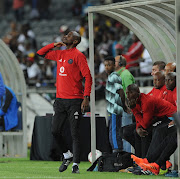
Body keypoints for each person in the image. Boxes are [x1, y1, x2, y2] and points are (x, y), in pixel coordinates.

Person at [37, 31, 92, 174]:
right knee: (55, 131)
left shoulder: (78, 56)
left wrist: (86, 97)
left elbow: (88, 76)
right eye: (65, 35)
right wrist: (53, 45)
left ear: (75, 41)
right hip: (60, 100)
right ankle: (67, 155)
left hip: (75, 100)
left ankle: (75, 165)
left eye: (69, 35)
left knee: (75, 133)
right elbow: (40, 53)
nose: (65, 36)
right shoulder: (60, 54)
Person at [122, 84, 176, 158]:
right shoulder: (135, 101)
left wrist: (134, 110)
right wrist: (138, 128)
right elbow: (140, 118)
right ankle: (139, 158)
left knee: (145, 132)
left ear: (138, 92)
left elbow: (145, 124)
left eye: (130, 93)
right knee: (124, 131)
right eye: (127, 93)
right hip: (157, 118)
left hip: (169, 117)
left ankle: (146, 160)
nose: (128, 96)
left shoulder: (146, 101)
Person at [104, 56, 128, 153]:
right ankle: (116, 149)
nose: (106, 67)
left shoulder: (114, 76)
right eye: (105, 65)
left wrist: (124, 105)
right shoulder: (111, 76)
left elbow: (121, 91)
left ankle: (117, 150)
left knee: (114, 131)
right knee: (113, 130)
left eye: (109, 65)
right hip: (111, 109)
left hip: (114, 108)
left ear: (114, 65)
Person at [115, 55, 135, 152]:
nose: (112, 63)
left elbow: (130, 93)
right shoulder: (119, 74)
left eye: (114, 61)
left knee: (127, 132)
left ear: (120, 63)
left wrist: (128, 106)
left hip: (126, 108)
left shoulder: (125, 74)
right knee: (123, 132)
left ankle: (128, 156)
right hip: (121, 107)